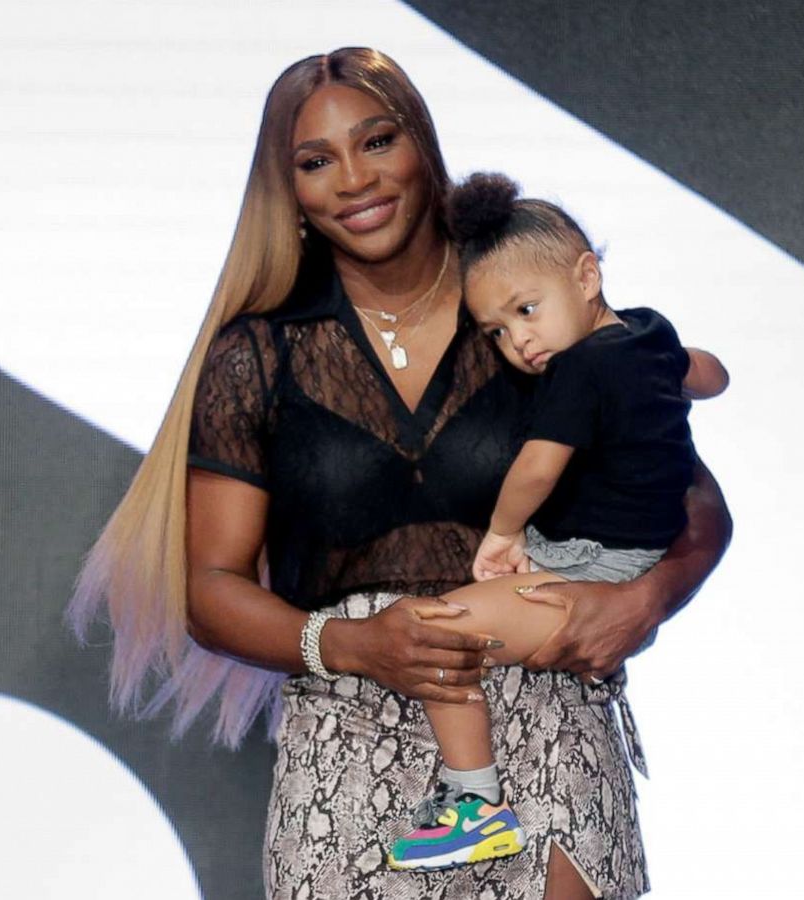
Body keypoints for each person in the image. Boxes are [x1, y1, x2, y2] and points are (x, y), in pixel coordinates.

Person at [65, 47, 732, 900]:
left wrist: (642, 603)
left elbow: (693, 503)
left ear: (422, 146)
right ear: (290, 192)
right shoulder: (258, 357)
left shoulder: (520, 310)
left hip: (542, 712)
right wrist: (346, 645)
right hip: (346, 732)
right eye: (316, 161)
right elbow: (211, 588)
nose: (353, 179)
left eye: (377, 141)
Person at [383, 172, 728, 873]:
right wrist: (679, 381)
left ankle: (473, 805)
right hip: (611, 550)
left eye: (527, 309)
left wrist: (504, 536)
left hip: (590, 566)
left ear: (587, 275)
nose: (520, 341)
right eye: (499, 331)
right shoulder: (645, 332)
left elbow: (538, 470)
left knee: (435, 633)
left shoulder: (579, 371)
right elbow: (711, 374)